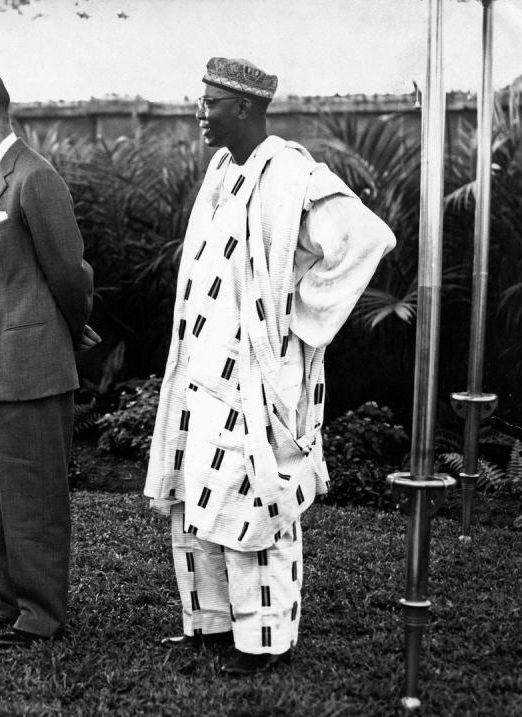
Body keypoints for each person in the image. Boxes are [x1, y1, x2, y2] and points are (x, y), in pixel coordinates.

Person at [144, 58, 396, 675]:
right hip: (202, 368)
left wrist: (300, 320)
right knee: (198, 497)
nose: (199, 112)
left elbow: (367, 239)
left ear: (246, 109)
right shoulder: (221, 169)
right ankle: (210, 624)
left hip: (256, 377)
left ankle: (264, 642)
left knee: (253, 501)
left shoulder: (293, 175)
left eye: (210, 103)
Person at [0, 72, 99, 647]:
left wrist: (69, 330)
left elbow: (70, 271)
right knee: (2, 492)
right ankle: (12, 600)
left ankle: (40, 614)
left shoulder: (35, 177)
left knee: (33, 494)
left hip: (33, 364)